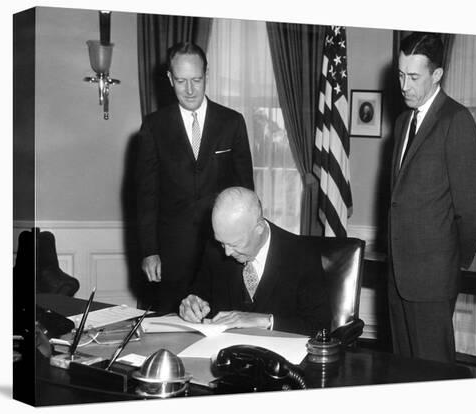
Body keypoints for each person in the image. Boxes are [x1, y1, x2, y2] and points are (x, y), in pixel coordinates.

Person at [135, 42, 254, 313]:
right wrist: (149, 250)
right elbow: (146, 195)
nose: (189, 90)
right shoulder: (154, 126)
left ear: (207, 76)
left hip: (222, 252)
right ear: (169, 79)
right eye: (181, 81)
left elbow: (245, 191)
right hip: (171, 255)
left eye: (196, 80)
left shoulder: (232, 122)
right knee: (172, 331)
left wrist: (246, 247)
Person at [388, 32, 476, 363]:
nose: (404, 85)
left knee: (434, 374)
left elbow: (470, 211)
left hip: (433, 278)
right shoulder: (403, 122)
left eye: (414, 77)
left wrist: (451, 265)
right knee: (402, 372)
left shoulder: (456, 121)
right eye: (400, 74)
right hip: (398, 276)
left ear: (437, 75)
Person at [179, 187, 331, 336]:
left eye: (235, 244)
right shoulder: (215, 249)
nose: (226, 252)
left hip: (278, 356)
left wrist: (265, 321)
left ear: (259, 228)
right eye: (222, 243)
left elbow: (320, 327)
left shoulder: (301, 254)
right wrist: (192, 304)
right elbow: (200, 294)